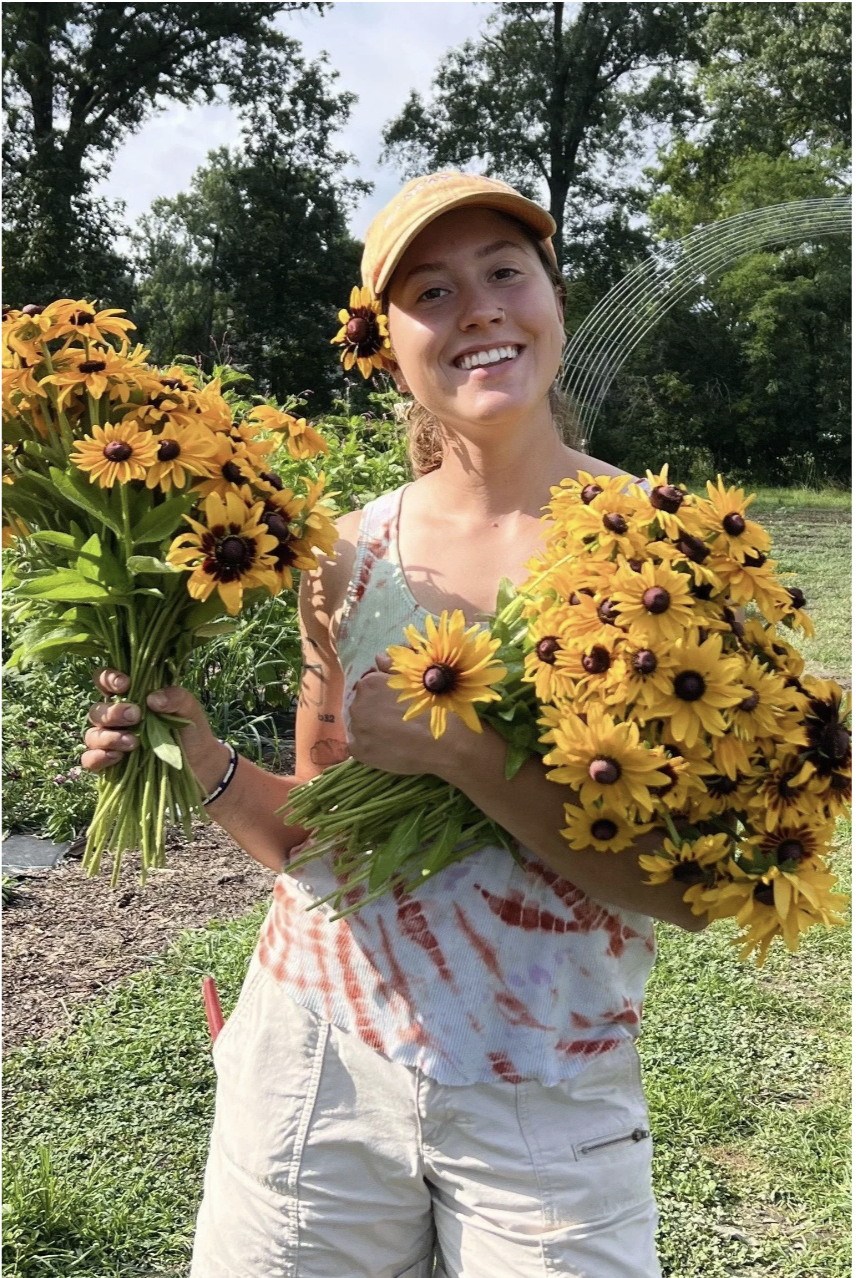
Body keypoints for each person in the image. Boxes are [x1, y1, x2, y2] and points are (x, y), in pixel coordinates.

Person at [81, 171, 707, 1278]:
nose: (478, 310)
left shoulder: (664, 554)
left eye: (504, 272)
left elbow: (689, 888)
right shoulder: (344, 556)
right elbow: (316, 837)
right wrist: (199, 757)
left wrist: (466, 756)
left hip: (546, 1092)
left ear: (553, 298)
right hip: (315, 1071)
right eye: (431, 292)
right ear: (385, 344)